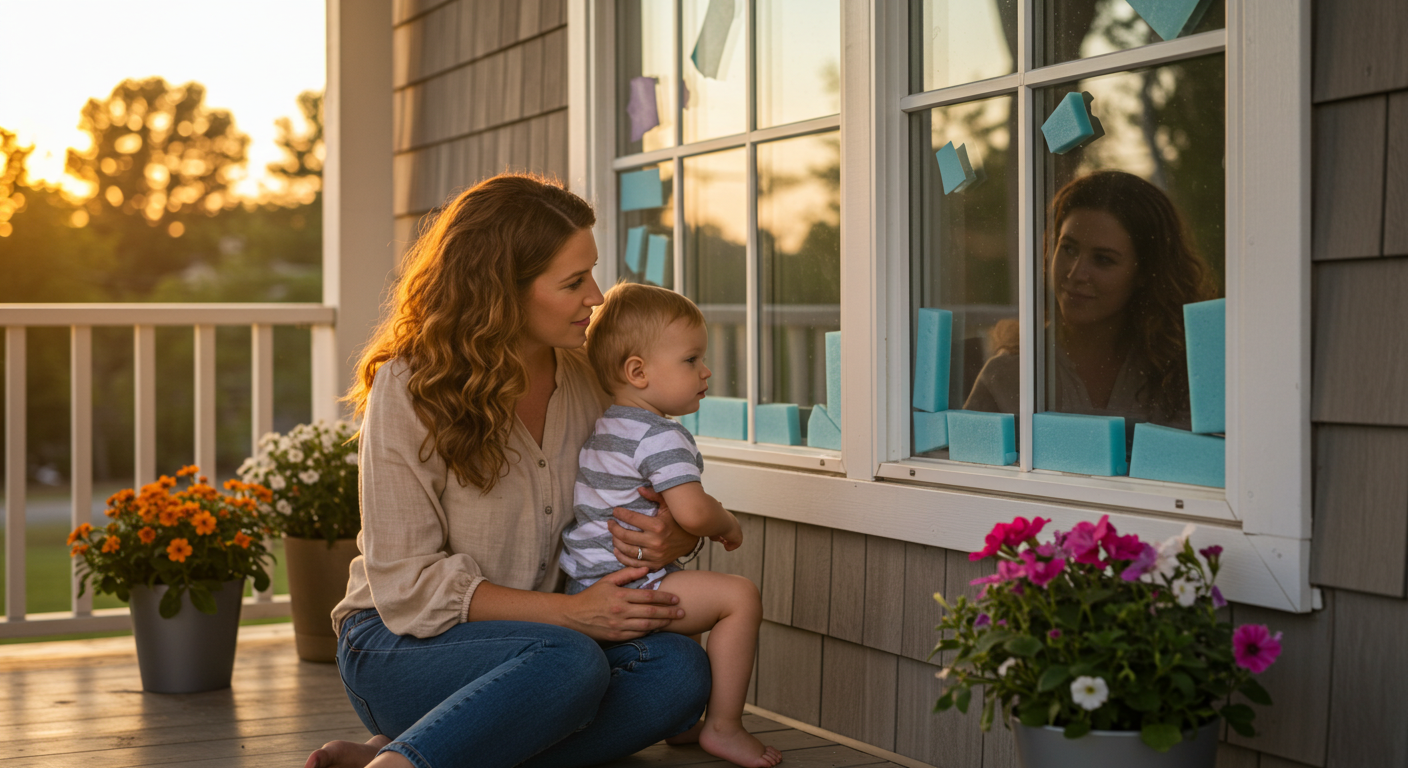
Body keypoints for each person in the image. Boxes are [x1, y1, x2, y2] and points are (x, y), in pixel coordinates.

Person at [305, 175, 711, 768]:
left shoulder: (594, 377)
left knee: (679, 672)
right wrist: (573, 614)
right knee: (570, 663)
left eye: (591, 274)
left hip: (560, 641)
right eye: (573, 282)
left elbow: (659, 492)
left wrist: (675, 534)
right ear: (500, 292)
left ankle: (434, 746)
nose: (596, 297)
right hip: (400, 644)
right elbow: (407, 583)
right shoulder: (409, 386)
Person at [559, 282, 781, 768]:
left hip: (586, 582)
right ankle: (725, 725)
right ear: (637, 372)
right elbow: (693, 513)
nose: (706, 371)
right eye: (691, 360)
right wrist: (727, 522)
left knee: (695, 603)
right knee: (739, 596)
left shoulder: (609, 425)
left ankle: (681, 722)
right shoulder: (661, 436)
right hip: (631, 585)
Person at [963, 170, 1218, 440]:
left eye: (1103, 260)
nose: (1075, 274)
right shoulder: (1008, 375)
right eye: (1069, 249)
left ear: (1144, 272)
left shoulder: (1182, 374)